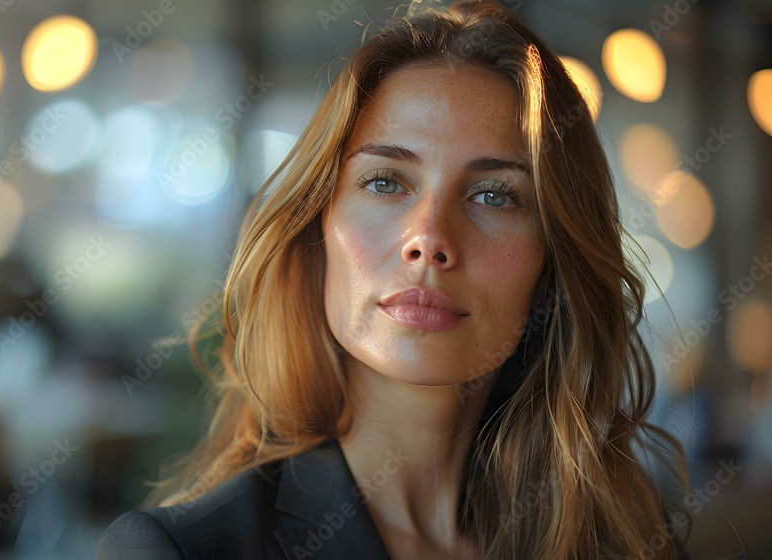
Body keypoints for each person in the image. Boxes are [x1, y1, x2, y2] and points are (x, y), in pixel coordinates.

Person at [98, 1, 692, 558]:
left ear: (553, 263)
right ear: (316, 228)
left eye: (494, 195)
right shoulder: (182, 550)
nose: (429, 238)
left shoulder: (628, 541)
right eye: (386, 183)